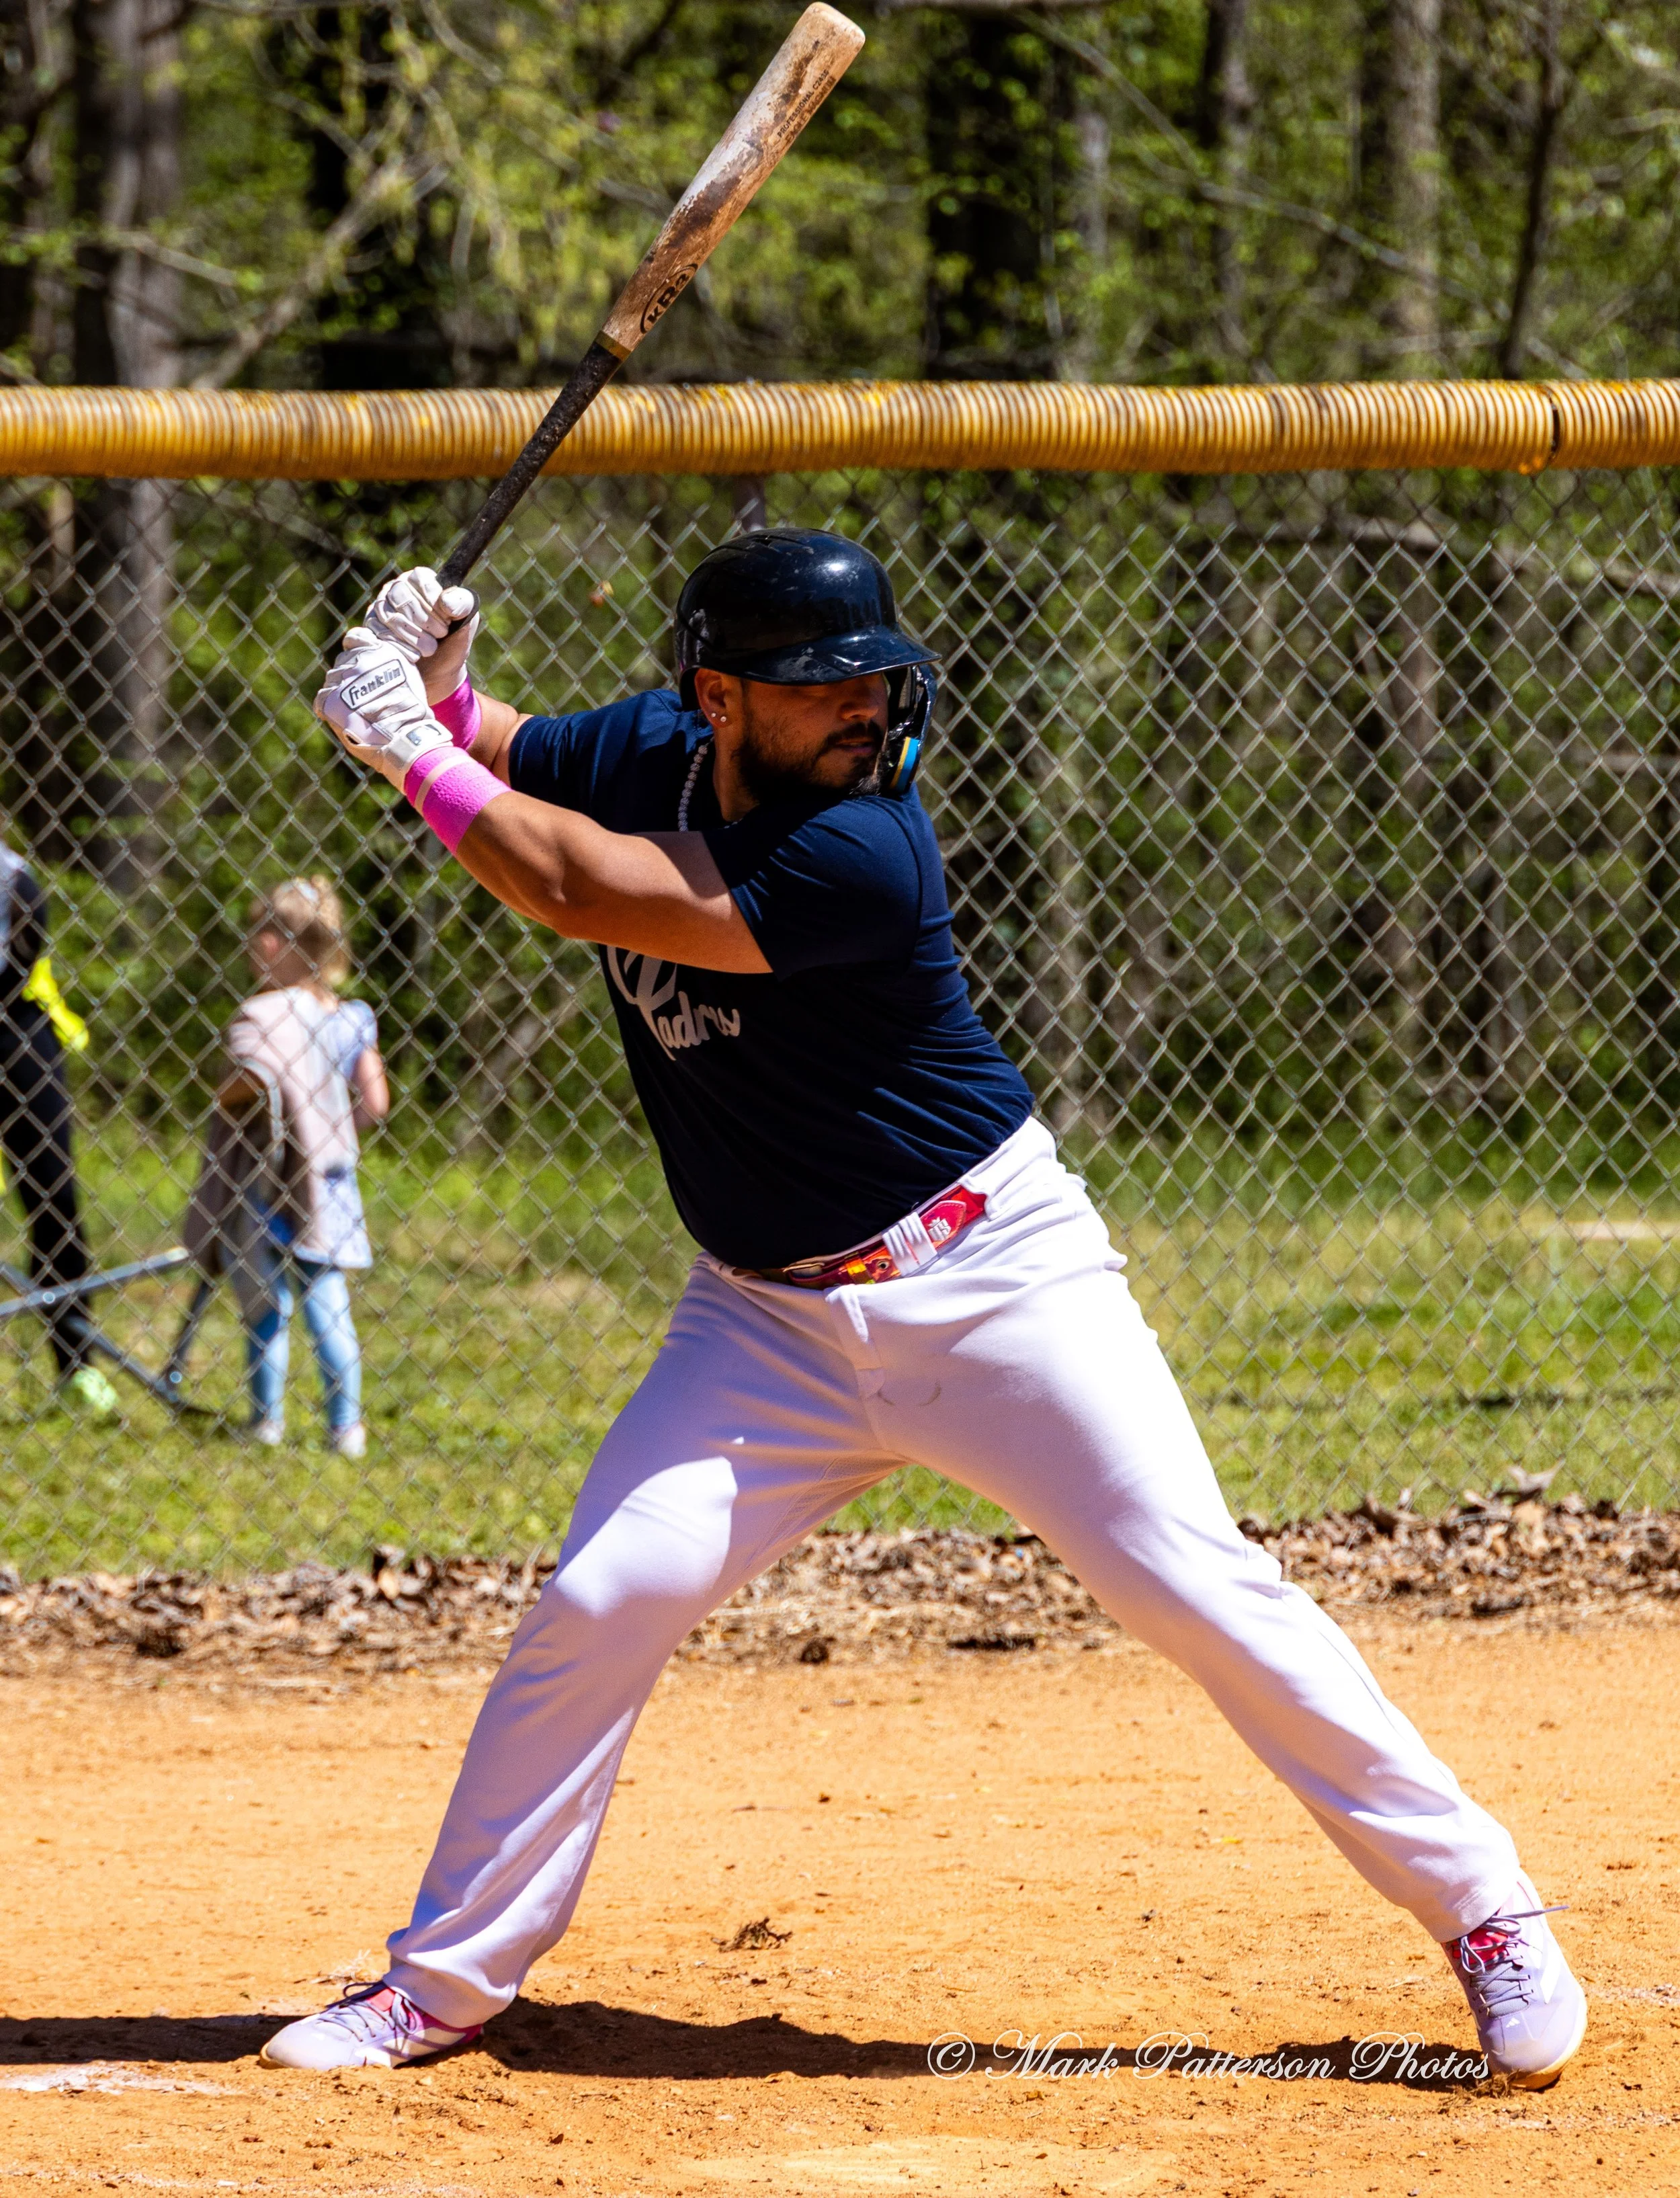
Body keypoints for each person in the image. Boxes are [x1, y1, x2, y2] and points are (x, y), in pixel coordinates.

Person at [263, 531, 1586, 2086]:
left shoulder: (867, 847)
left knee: (1198, 1589)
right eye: (820, 687)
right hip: (761, 1325)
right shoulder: (646, 749)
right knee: (602, 1602)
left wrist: (402, 748)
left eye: (876, 681)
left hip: (992, 1286)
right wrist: (434, 686)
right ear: (716, 699)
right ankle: (442, 1986)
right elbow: (497, 754)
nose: (865, 708)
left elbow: (562, 879)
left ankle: (1485, 1908)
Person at [206, 878, 388, 1457]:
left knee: (267, 1303)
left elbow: (240, 1088)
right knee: (327, 1301)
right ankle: (346, 1428)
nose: (252, 949)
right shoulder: (352, 1018)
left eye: (260, 937)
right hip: (328, 1185)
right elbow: (375, 1103)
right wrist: (333, 1134)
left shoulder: (268, 1019)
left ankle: (267, 1422)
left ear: (280, 945)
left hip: (268, 1178)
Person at [0, 840, 114, 1418]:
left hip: (18, 1032)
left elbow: (25, 954)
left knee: (54, 1201)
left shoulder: (13, 875)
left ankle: (76, 1367)